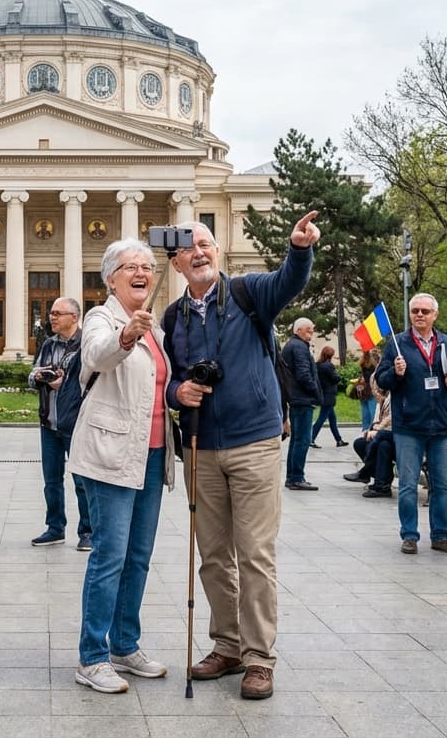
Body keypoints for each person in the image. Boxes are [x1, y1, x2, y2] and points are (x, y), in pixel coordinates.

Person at [164, 213, 318, 701]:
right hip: (201, 447)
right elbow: (164, 375)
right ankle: (226, 646)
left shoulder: (250, 294)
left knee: (254, 553)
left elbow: (290, 280)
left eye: (205, 243)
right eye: (188, 249)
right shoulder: (173, 317)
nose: (199, 253)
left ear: (217, 249)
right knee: (213, 555)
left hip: (254, 442)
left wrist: (299, 249)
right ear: (177, 262)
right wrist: (177, 391)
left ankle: (259, 657)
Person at [68, 239, 176, 694]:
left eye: (148, 266)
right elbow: (95, 355)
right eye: (131, 266)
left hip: (152, 454)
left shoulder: (158, 328)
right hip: (110, 454)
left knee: (138, 556)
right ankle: (92, 656)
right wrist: (127, 335)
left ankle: (124, 645)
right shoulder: (102, 318)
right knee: (109, 556)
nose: (142, 273)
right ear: (110, 277)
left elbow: (159, 386)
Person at [374, 292, 447, 556]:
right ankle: (410, 536)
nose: (420, 315)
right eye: (416, 311)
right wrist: (396, 373)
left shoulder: (446, 343)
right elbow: (381, 380)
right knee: (407, 485)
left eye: (425, 311)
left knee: (441, 485)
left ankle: (440, 535)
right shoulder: (397, 344)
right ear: (410, 314)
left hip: (440, 425)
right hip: (409, 426)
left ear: (435, 315)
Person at [29, 297, 93, 551]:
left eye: (58, 313)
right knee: (51, 480)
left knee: (81, 481)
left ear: (74, 317)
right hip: (49, 421)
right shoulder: (48, 344)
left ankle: (87, 531)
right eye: (51, 313)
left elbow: (92, 380)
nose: (52, 317)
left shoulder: (86, 343)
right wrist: (42, 377)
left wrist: (65, 384)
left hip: (75, 422)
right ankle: (55, 528)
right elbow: (32, 376)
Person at [281, 317, 320, 489]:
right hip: (302, 399)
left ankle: (292, 476)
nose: (311, 333)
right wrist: (316, 392)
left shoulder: (293, 345)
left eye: (312, 329)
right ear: (298, 330)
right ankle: (297, 477)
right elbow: (304, 374)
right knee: (302, 439)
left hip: (296, 398)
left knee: (297, 439)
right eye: (308, 330)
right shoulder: (299, 347)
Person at [345, 382, 395, 497]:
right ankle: (379, 479)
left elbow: (393, 417)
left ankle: (376, 480)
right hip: (390, 434)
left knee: (383, 445)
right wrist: (372, 429)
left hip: (403, 437)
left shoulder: (399, 394)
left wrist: (378, 430)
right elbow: (378, 418)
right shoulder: (386, 396)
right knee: (360, 443)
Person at [310, 345, 348, 448]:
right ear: (330, 355)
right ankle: (311, 438)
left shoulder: (317, 365)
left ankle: (338, 440)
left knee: (332, 420)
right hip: (329, 395)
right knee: (321, 419)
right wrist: (338, 375)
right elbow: (336, 378)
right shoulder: (328, 366)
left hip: (323, 393)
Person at [356, 350, 378, 431]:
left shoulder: (362, 363)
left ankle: (365, 430)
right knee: (372, 411)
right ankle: (371, 430)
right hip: (372, 389)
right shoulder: (373, 365)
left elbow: (363, 376)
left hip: (363, 390)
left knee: (365, 412)